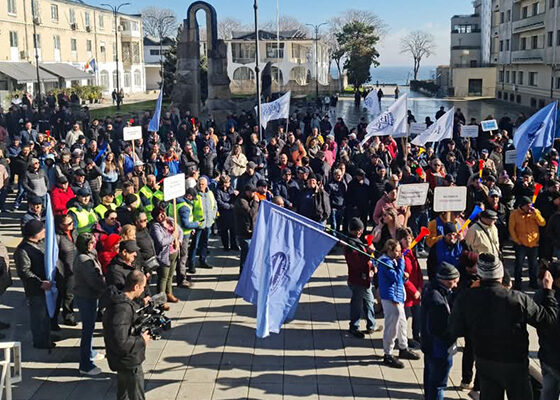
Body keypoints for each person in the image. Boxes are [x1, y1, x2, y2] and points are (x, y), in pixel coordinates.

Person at [449, 253, 558, 400]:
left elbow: (455, 329)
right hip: (515, 363)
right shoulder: (517, 299)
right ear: (500, 274)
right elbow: (548, 321)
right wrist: (548, 292)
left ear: (480, 275)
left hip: (485, 360)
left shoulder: (466, 298)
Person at [102, 270, 150, 400]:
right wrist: (142, 340)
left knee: (124, 394)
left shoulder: (121, 301)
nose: (144, 290)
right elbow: (121, 342)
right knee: (135, 395)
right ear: (136, 287)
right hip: (128, 361)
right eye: (143, 287)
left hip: (122, 360)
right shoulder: (122, 309)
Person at [377, 239, 420, 369]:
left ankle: (403, 347)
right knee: (392, 326)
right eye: (396, 251)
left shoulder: (392, 260)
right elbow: (395, 277)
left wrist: (403, 275)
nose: (399, 254)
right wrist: (401, 263)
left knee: (402, 323)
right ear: (389, 250)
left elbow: (399, 277)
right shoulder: (385, 262)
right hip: (390, 297)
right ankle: (388, 354)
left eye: (400, 251)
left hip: (398, 295)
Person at [420, 262, 460, 400]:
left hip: (429, 345)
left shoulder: (430, 289)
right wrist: (456, 332)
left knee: (430, 378)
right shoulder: (438, 301)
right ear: (445, 280)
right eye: (453, 282)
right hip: (440, 349)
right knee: (438, 384)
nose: (455, 285)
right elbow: (440, 329)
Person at [14, 220, 54, 349]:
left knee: (47, 314)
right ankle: (40, 341)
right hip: (36, 289)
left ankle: (47, 336)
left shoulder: (40, 243)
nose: (44, 232)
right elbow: (24, 271)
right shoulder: (23, 250)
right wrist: (39, 283)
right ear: (35, 233)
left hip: (47, 285)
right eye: (42, 230)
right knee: (38, 316)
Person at [344, 218, 382, 338]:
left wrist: (371, 264)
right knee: (359, 303)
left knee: (367, 302)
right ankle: (355, 327)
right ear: (359, 231)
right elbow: (357, 263)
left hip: (361, 279)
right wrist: (369, 257)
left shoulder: (354, 242)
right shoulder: (351, 246)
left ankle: (370, 325)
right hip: (359, 280)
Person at [73, 233, 106, 375]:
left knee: (90, 328)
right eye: (91, 242)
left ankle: (90, 352)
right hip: (86, 296)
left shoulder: (88, 254)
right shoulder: (83, 259)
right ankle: (85, 364)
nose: (94, 243)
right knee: (87, 330)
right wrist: (104, 286)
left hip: (90, 295)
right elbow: (92, 281)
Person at [534, 261, 560, 400]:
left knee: (548, 393)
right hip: (551, 356)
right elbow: (551, 322)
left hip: (547, 354)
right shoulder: (543, 296)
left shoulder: (540, 294)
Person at [509, 196, 546, 290]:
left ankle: (533, 283)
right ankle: (517, 283)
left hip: (534, 244)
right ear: (522, 206)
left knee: (533, 265)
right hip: (521, 244)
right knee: (519, 264)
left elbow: (542, 223)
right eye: (528, 206)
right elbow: (511, 229)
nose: (530, 208)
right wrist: (517, 241)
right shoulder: (514, 214)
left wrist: (536, 214)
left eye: (530, 206)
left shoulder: (535, 212)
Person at [150, 206, 182, 309]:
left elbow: (179, 231)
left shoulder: (171, 221)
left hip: (174, 252)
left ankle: (169, 293)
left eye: (163, 213)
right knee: (163, 277)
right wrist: (173, 236)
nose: (162, 215)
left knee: (170, 275)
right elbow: (161, 242)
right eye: (159, 214)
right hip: (164, 255)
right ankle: (161, 300)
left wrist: (179, 241)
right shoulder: (156, 227)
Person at [397, 227, 423, 348]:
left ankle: (416, 336)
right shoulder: (400, 256)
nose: (408, 241)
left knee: (417, 317)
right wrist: (414, 291)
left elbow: (418, 272)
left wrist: (420, 288)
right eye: (405, 239)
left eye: (409, 239)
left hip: (416, 292)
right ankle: (403, 338)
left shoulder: (412, 252)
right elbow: (403, 277)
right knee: (404, 319)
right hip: (407, 294)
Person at [234, 184, 260, 273]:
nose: (254, 194)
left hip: (251, 230)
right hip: (244, 231)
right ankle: (243, 272)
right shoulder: (241, 201)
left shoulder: (251, 199)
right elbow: (251, 214)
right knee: (245, 252)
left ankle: (248, 272)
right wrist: (256, 203)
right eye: (252, 192)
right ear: (247, 192)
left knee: (250, 253)